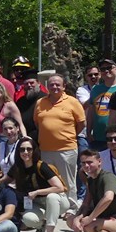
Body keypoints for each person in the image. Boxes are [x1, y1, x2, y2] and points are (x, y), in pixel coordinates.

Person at [5, 136, 70, 232]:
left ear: (34, 150)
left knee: (52, 197)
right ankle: (42, 226)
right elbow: (4, 181)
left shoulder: (41, 166)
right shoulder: (18, 167)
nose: (25, 152)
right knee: (28, 219)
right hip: (37, 203)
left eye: (29, 149)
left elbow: (59, 187)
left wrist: (37, 192)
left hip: (58, 200)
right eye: (22, 149)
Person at [33, 73, 85, 205]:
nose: (54, 87)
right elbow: (37, 123)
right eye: (51, 85)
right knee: (49, 181)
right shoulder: (40, 102)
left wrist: (68, 136)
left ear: (64, 86)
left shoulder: (72, 102)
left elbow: (81, 123)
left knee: (68, 181)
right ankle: (54, 206)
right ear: (47, 86)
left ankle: (71, 207)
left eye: (58, 84)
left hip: (66, 149)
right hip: (45, 150)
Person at [87, 58, 116, 150]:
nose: (106, 71)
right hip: (98, 138)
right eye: (103, 69)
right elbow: (91, 112)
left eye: (109, 67)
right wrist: (88, 132)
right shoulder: (95, 89)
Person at [0, 82, 26, 152]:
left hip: (7, 139)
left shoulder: (10, 105)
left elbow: (20, 124)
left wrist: (25, 139)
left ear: (1, 91)